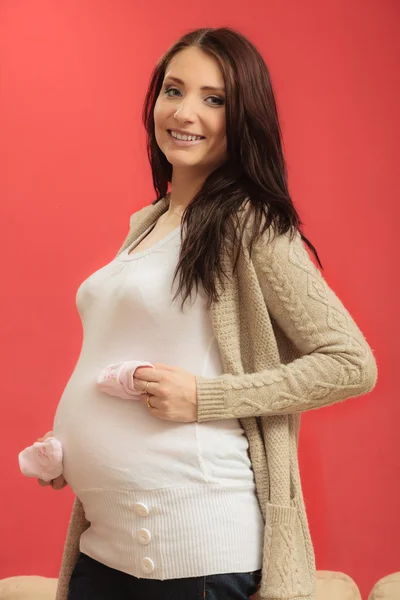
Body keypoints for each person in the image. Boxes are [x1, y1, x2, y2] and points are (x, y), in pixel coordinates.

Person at [39, 27, 378, 600]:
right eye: (173, 90)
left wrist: (206, 398)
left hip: (190, 551)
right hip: (107, 544)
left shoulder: (252, 224)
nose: (184, 111)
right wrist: (76, 442)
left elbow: (351, 364)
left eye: (213, 98)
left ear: (243, 117)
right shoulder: (146, 223)